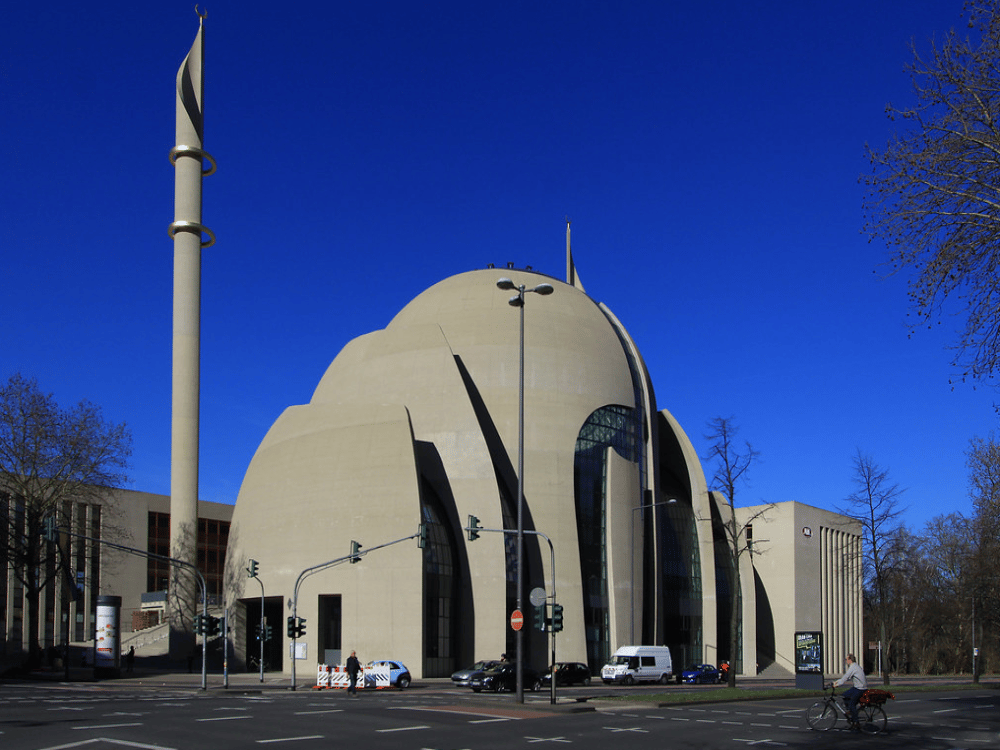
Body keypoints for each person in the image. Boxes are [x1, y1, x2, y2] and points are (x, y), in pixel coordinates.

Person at [833, 653, 867, 729]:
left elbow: (846, 677)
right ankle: (851, 711)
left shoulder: (853, 667)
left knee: (852, 704)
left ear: (850, 660)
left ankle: (856, 721)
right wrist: (836, 682)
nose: (845, 661)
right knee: (845, 695)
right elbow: (845, 677)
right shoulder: (855, 666)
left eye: (846, 659)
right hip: (858, 687)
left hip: (860, 689)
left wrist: (837, 684)